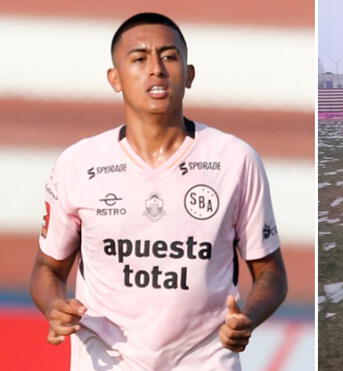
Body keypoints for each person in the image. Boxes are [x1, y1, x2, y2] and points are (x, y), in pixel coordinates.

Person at [30, 12, 287, 370]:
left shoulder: (235, 159)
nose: (156, 69)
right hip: (106, 361)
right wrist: (54, 307)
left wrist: (248, 317)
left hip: (205, 361)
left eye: (169, 56)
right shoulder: (77, 163)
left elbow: (271, 273)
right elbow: (47, 268)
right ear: (114, 78)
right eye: (139, 58)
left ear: (189, 74)